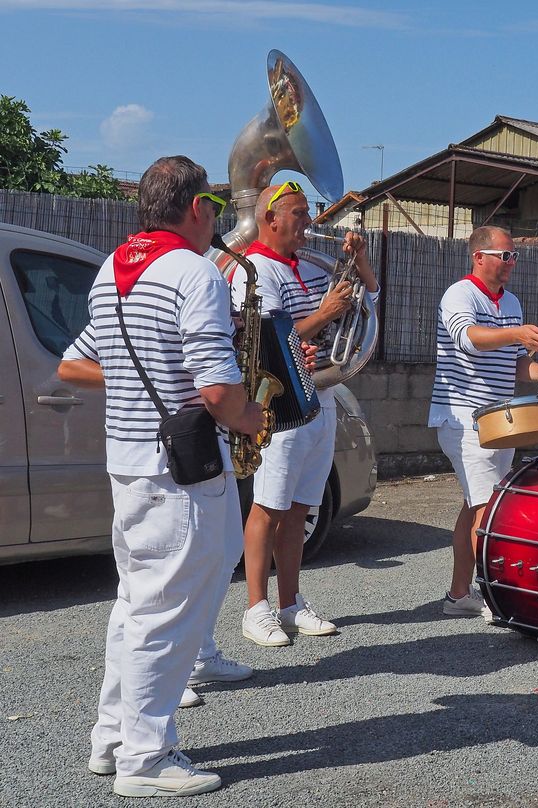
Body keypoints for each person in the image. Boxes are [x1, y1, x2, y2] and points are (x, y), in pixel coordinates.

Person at [58, 156, 265, 797]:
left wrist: (145, 383)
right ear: (197, 207)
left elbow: (75, 363)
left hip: (130, 461)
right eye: (215, 210)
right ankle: (144, 761)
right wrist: (252, 416)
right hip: (178, 468)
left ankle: (113, 738)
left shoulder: (110, 269)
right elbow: (215, 390)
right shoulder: (193, 273)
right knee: (166, 613)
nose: (218, 223)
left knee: (137, 604)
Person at [230, 180, 379, 647]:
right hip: (280, 404)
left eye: (307, 212)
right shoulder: (254, 268)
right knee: (267, 506)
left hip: (321, 397)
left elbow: (368, 303)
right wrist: (323, 314)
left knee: (300, 507)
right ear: (269, 219)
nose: (308, 223)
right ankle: (256, 608)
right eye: (298, 214)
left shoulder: (309, 267)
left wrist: (360, 263)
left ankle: (290, 603)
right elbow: (268, 337)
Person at [428, 226, 538, 617]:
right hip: (464, 417)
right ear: (479, 256)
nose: (511, 263)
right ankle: (504, 596)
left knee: (476, 506)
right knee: (490, 510)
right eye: (505, 255)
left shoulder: (511, 301)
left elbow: (514, 362)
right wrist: (516, 331)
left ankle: (458, 596)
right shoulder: (459, 294)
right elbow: (469, 338)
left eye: (514, 256)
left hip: (500, 418)